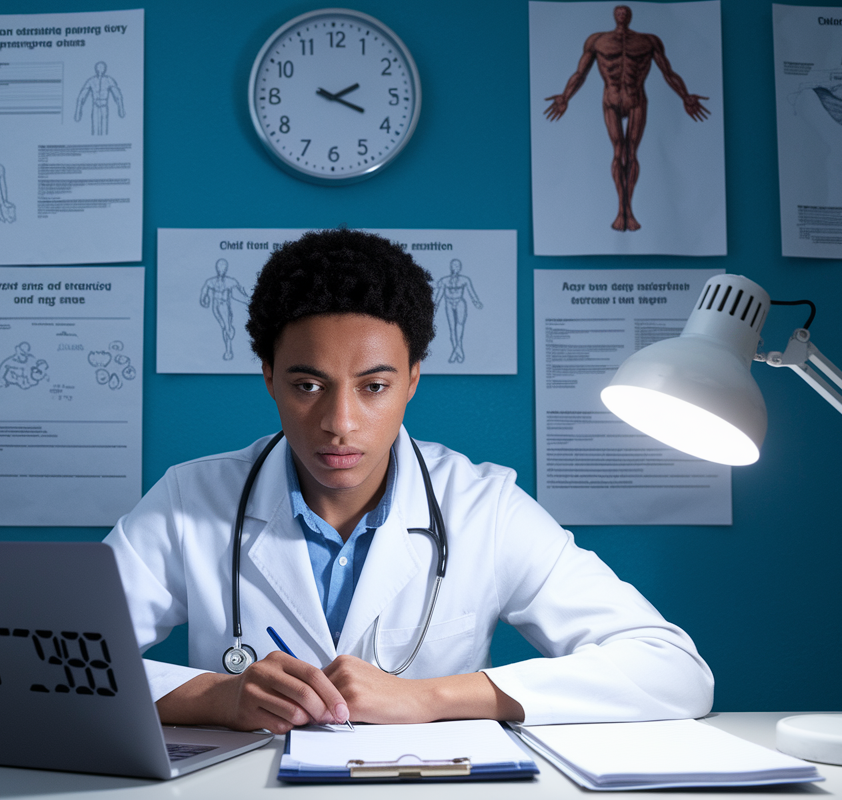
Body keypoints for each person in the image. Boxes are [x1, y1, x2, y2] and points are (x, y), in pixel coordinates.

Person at [105, 229, 712, 733]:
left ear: (413, 379)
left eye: (374, 387)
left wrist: (433, 698)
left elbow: (675, 671)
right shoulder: (191, 500)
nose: (339, 424)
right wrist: (218, 697)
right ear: (268, 378)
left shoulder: (485, 508)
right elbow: (57, 666)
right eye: (307, 385)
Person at [544, 5, 709, 232]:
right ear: (614, 15)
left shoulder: (648, 41)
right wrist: (565, 96)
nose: (622, 15)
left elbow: (668, 72)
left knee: (631, 153)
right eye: (619, 12)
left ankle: (628, 211)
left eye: (625, 12)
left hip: (636, 100)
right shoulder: (597, 41)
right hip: (611, 99)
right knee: (618, 152)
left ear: (630, 16)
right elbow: (580, 73)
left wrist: (685, 96)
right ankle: (621, 212)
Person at [199, 258, 251, 361]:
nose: (221, 270)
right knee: (224, 326)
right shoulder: (212, 281)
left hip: (224, 306)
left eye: (223, 268)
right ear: (217, 268)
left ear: (226, 269)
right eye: (219, 268)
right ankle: (230, 330)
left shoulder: (230, 281)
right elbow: (205, 288)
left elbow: (240, 291)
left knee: (226, 327)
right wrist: (203, 298)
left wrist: (248, 298)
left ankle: (228, 350)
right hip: (216, 306)